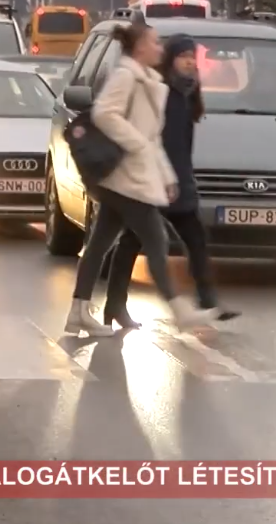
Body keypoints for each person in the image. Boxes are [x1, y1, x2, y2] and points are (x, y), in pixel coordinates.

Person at [63, 22, 211, 336]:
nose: (160, 48)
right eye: (155, 43)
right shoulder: (126, 76)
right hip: (126, 178)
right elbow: (105, 113)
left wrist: (167, 176)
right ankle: (181, 312)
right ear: (140, 47)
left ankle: (77, 311)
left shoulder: (148, 80)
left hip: (128, 177)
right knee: (157, 240)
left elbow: (153, 137)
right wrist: (137, 144)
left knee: (100, 243)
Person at [101, 34, 238, 329]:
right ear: (170, 61)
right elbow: (153, 139)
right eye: (182, 56)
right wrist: (159, 176)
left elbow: (182, 145)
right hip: (153, 180)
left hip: (178, 181)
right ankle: (115, 304)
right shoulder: (159, 92)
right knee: (131, 243)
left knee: (196, 241)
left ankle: (208, 301)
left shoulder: (188, 95)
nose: (189, 61)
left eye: (192, 56)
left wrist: (182, 178)